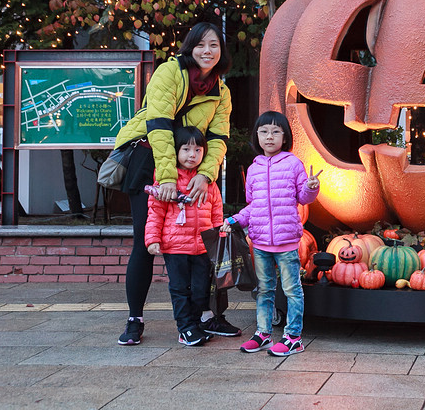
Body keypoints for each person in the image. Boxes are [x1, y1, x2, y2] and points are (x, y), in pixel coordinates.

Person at [114, 22, 240, 345]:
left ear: (222, 51)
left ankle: (208, 316)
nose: (207, 51)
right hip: (151, 161)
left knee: (207, 242)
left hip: (194, 168)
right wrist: (167, 177)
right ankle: (134, 319)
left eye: (214, 45)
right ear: (189, 47)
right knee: (145, 241)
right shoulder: (169, 73)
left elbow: (218, 138)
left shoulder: (221, 92)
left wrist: (205, 175)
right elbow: (158, 125)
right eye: (201, 45)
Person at [221, 110, 321, 356]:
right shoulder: (254, 169)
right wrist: (233, 220)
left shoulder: (293, 164)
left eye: (276, 132)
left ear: (285, 137)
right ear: (257, 136)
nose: (269, 137)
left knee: (292, 290)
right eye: (264, 131)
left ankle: (293, 337)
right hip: (260, 242)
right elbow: (253, 207)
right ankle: (263, 333)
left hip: (287, 243)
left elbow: (303, 198)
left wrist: (311, 187)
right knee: (264, 290)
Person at [145, 126, 223, 346]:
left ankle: (196, 325)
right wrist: (152, 239)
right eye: (186, 149)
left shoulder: (207, 182)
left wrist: (218, 236)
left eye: (198, 150)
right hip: (175, 247)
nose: (192, 155)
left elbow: (216, 211)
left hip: (202, 247)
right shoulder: (167, 182)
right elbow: (155, 212)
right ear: (176, 151)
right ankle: (185, 328)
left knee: (200, 290)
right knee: (180, 289)